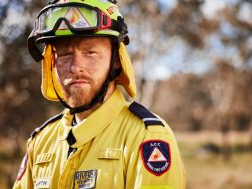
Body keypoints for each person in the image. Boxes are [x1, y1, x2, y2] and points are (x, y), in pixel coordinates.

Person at [13, 0, 186, 188]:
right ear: (52, 63)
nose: (75, 67)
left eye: (90, 52)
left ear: (116, 60)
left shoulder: (148, 139)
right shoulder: (40, 142)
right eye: (64, 54)